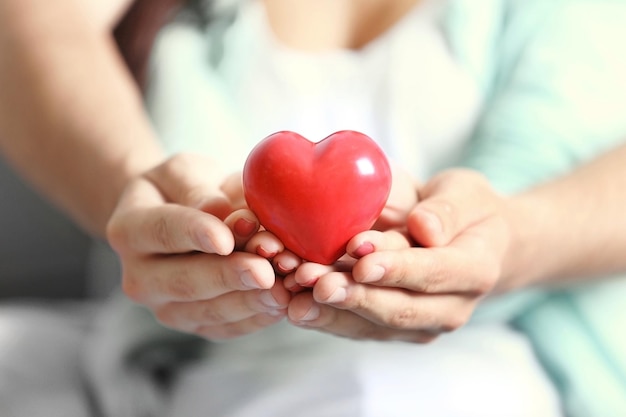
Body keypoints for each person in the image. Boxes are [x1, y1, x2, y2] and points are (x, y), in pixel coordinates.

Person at [1, 0, 626, 416]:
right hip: (212, 381)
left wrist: (517, 241)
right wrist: (131, 189)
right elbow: (31, 22)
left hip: (508, 372)